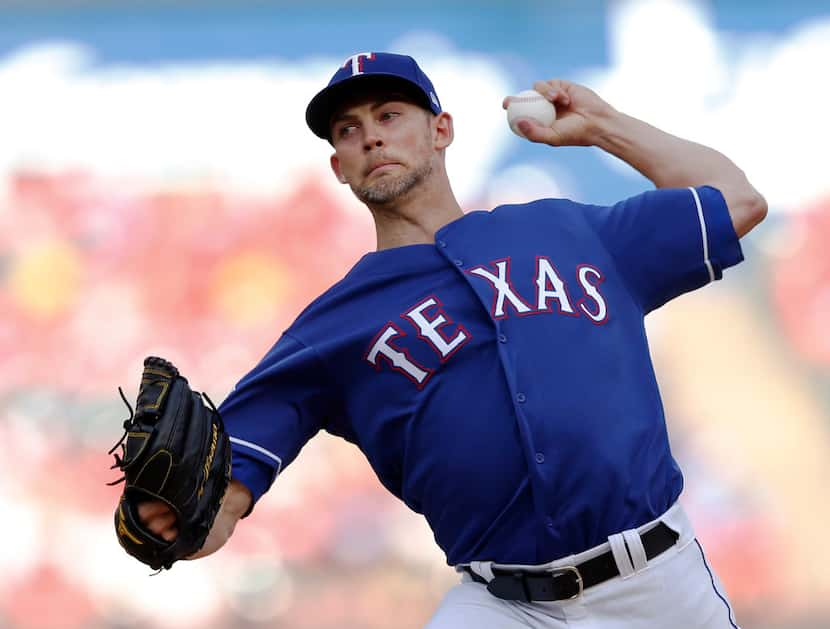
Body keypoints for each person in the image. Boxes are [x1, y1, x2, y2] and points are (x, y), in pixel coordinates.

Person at [137, 52, 766, 627]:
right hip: (502, 605)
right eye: (349, 130)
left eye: (389, 114)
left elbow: (736, 201)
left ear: (442, 130)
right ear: (339, 167)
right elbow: (222, 494)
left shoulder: (567, 229)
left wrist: (602, 125)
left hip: (657, 586)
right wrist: (170, 525)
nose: (371, 135)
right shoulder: (328, 329)